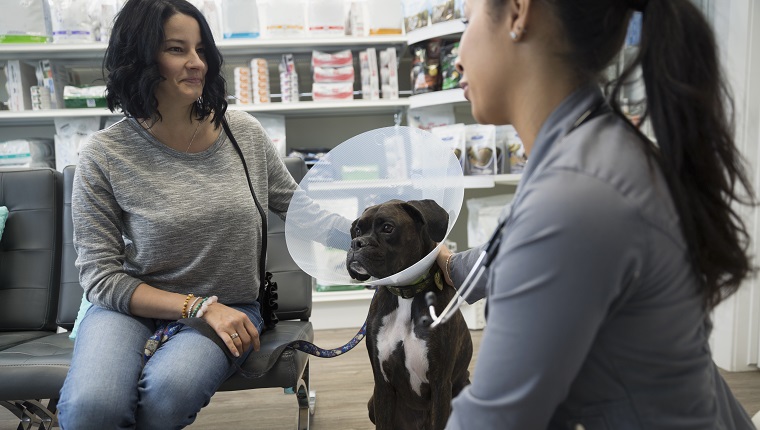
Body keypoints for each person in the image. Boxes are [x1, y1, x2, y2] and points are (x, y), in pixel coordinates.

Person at [435, 0, 757, 428]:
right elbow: (513, 257)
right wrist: (445, 262)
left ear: (517, 12)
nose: (456, 55)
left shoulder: (575, 194)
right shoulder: (596, 149)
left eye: (467, 19)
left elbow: (492, 422)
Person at [56, 0, 304, 428]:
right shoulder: (104, 154)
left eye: (201, 50)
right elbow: (101, 277)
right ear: (140, 59)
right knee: (92, 408)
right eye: (177, 50)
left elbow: (304, 210)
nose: (196, 63)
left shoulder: (241, 132)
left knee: (168, 394)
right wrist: (197, 306)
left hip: (232, 306)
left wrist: (404, 245)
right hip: (129, 308)